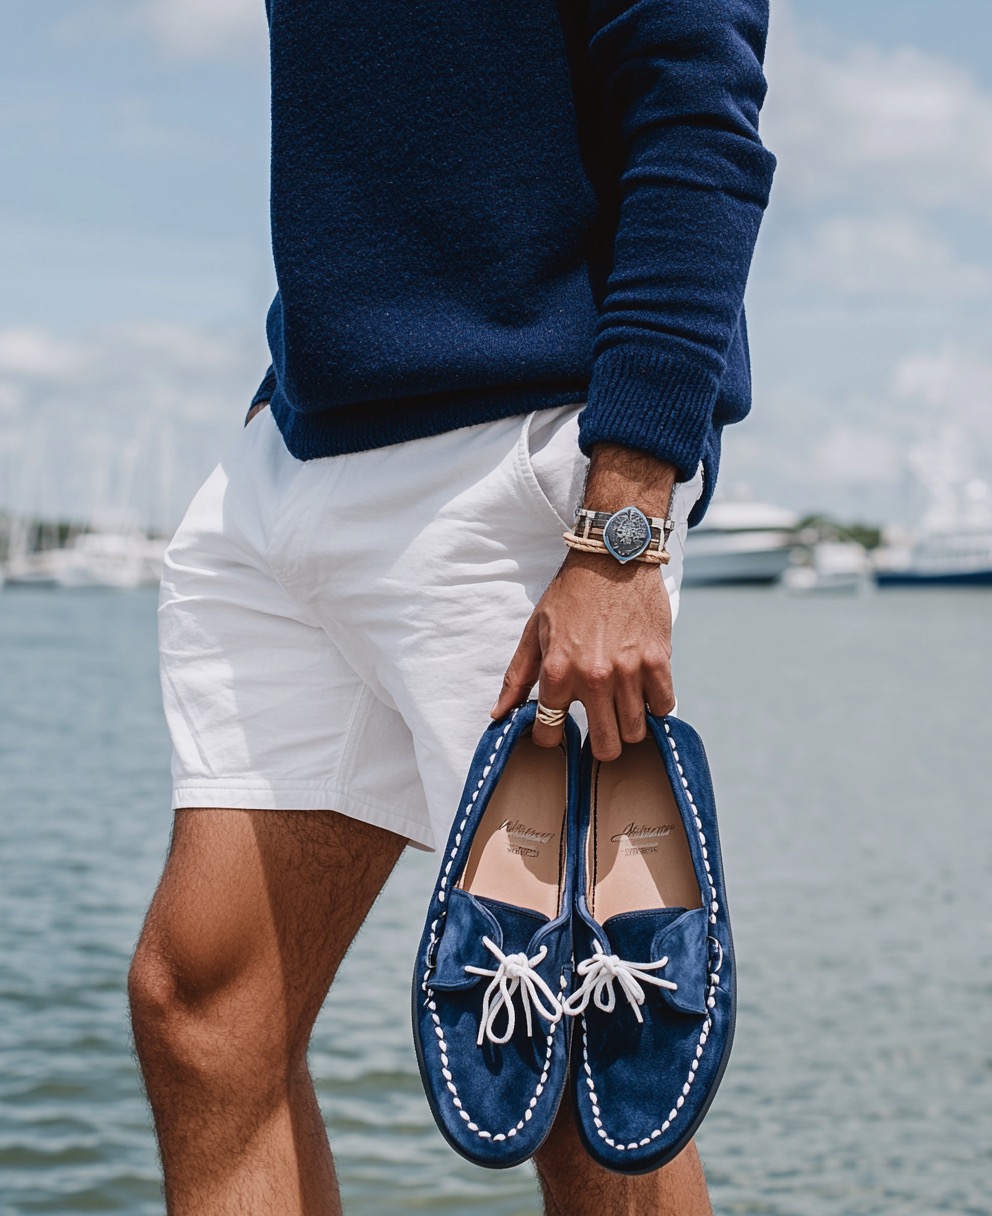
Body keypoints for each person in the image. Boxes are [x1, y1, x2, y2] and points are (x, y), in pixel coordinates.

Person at [128, 1, 775, 1212]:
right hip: (297, 446)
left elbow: (697, 110)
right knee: (202, 1008)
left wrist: (620, 524)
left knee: (580, 1070)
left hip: (520, 459)